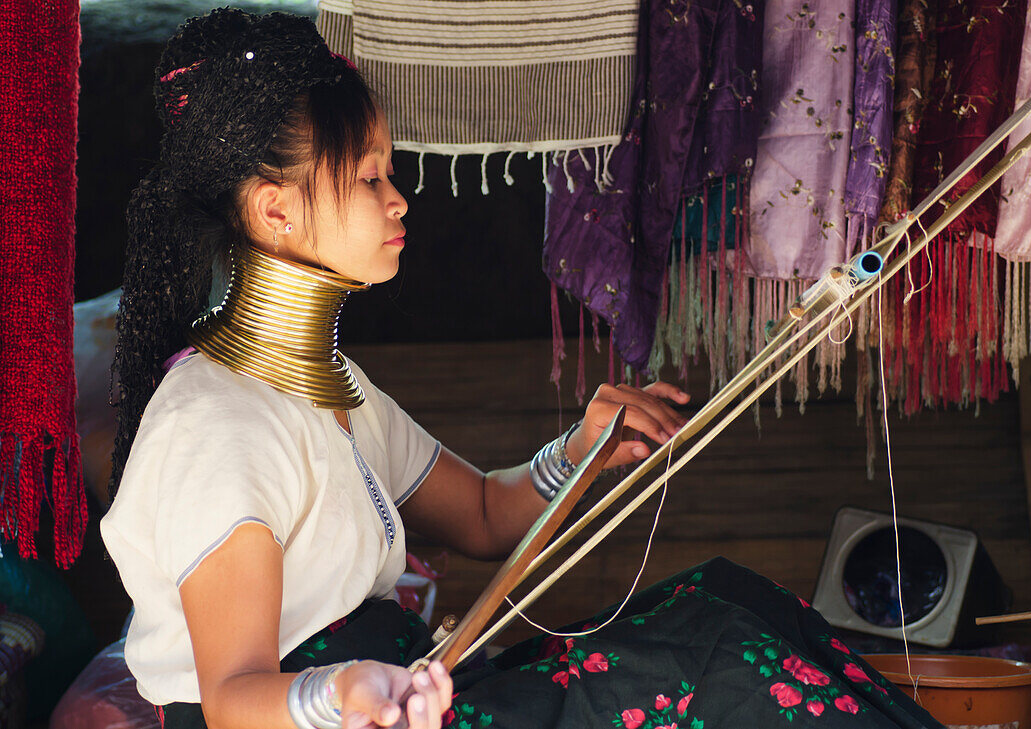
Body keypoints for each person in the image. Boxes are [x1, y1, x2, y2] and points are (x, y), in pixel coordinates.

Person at [101, 10, 943, 729]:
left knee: (723, 605)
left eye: (388, 173)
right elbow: (234, 698)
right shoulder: (219, 422)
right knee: (714, 669)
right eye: (368, 177)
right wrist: (352, 690)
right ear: (273, 209)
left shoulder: (325, 385)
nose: (397, 200)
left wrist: (582, 450)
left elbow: (479, 513)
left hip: (407, 691)